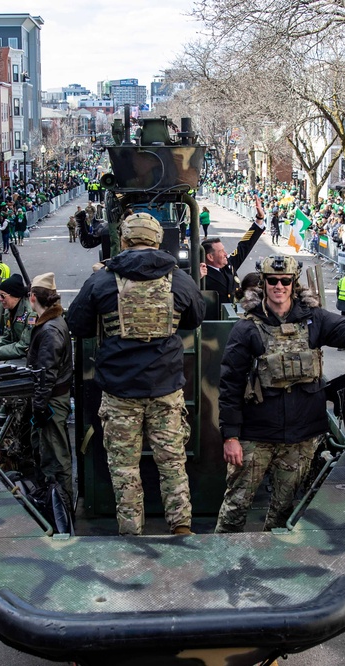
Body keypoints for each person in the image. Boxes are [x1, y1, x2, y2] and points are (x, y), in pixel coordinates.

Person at [215, 254, 345, 533]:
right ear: (264, 283)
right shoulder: (247, 327)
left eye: (285, 281)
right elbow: (230, 384)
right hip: (256, 436)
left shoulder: (314, 320)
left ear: (294, 284)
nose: (279, 286)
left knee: (284, 510)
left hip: (301, 436)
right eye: (272, 280)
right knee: (236, 506)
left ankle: (273, 563)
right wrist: (231, 437)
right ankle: (223, 562)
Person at [66, 213, 205, 536]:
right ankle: (181, 527)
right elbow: (195, 318)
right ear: (157, 241)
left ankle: (131, 533)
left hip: (119, 392)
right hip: (166, 389)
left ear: (124, 241)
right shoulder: (179, 279)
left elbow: (77, 324)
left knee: (125, 469)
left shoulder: (102, 281)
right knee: (172, 463)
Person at [25, 272, 74, 502]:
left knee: (56, 456)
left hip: (52, 400)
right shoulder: (53, 323)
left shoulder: (50, 330)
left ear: (33, 297)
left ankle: (62, 506)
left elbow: (46, 373)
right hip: (54, 398)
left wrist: (39, 405)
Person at [202, 198, 266, 304]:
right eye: (221, 251)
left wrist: (259, 218)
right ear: (210, 257)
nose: (225, 254)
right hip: (218, 319)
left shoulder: (229, 266)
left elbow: (244, 246)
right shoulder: (202, 275)